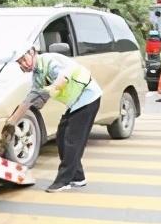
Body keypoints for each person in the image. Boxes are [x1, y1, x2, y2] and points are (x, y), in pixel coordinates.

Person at [5, 46, 102, 192]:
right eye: (20, 63)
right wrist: (11, 122)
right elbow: (29, 101)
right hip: (77, 102)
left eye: (24, 59)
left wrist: (54, 87)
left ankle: (63, 180)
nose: (23, 64)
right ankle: (78, 177)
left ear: (32, 52)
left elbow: (62, 76)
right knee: (62, 135)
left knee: (71, 140)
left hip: (88, 97)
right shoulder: (38, 75)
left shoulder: (48, 61)